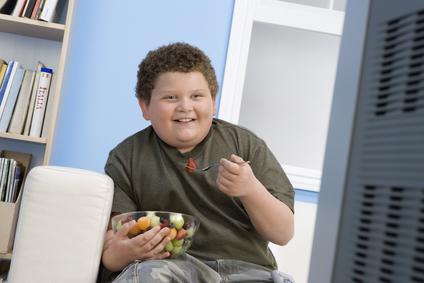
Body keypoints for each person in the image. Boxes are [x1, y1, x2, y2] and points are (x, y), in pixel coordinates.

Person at [98, 42, 295, 283]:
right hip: (172, 268)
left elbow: (283, 233)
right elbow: (116, 241)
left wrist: (251, 190)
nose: (185, 107)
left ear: (213, 103)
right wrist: (118, 255)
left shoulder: (245, 144)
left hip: (250, 271)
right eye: (170, 97)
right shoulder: (126, 157)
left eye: (196, 96)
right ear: (145, 106)